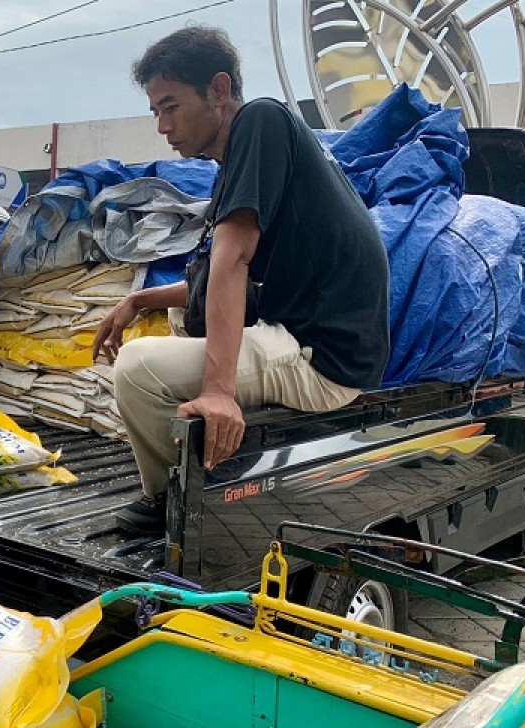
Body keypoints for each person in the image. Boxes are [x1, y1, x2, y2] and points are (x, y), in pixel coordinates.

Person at [92, 26, 389, 532]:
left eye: (171, 106)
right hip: (303, 333)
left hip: (323, 357)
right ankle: (204, 468)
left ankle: (181, 504)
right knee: (180, 318)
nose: (163, 126)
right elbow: (218, 282)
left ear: (220, 90)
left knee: (139, 369)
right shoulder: (242, 157)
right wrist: (140, 298)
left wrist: (219, 391)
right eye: (156, 113)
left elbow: (233, 261)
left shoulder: (261, 121)